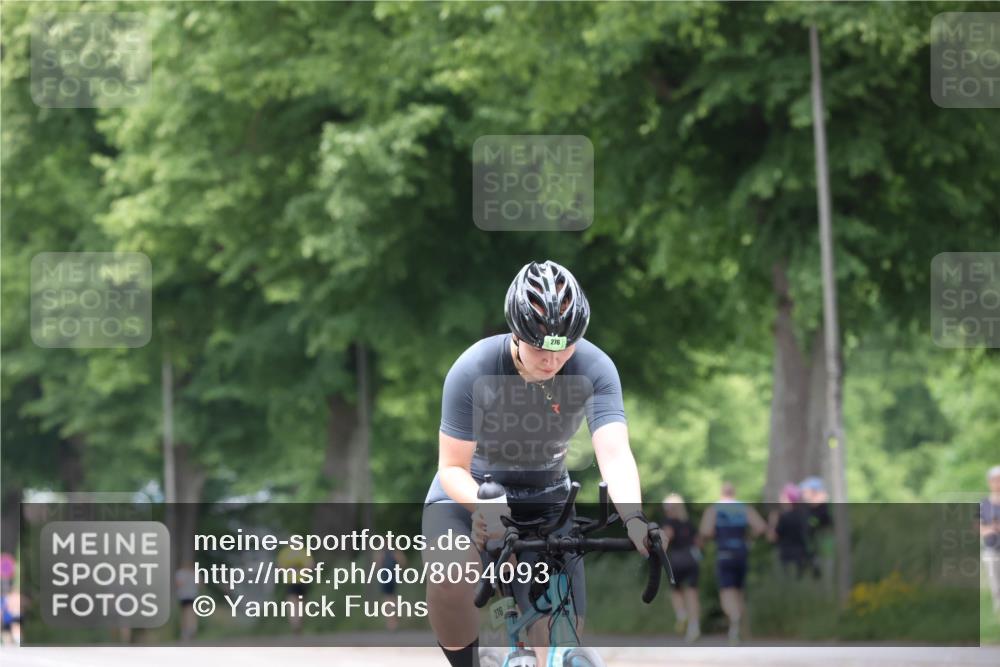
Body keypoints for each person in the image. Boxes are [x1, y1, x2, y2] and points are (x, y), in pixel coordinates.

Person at [421, 260, 652, 667]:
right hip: (469, 493)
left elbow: (614, 453)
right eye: (540, 349)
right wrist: (484, 507)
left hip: (547, 499)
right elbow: (452, 466)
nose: (552, 361)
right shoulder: (473, 368)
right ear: (516, 333)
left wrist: (632, 516)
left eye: (565, 347)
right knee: (449, 577)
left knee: (554, 642)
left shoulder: (595, 369)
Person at [699, 481, 767, 645]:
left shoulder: (714, 509)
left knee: (726, 591)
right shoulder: (744, 508)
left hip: (724, 553)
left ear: (722, 493)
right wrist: (749, 538)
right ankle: (741, 630)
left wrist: (714, 534)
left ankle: (734, 618)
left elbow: (705, 531)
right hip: (741, 552)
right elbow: (761, 527)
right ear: (734, 493)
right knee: (739, 591)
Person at [659, 493, 701, 643]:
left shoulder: (668, 522)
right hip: (691, 560)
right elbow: (698, 541)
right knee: (692, 594)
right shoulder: (688, 522)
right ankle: (694, 627)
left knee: (676, 592)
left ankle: (681, 615)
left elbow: (667, 538)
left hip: (676, 560)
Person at [767, 483, 810, 579]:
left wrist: (772, 523)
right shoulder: (802, 515)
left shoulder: (782, 517)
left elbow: (772, 538)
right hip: (801, 555)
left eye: (782, 496)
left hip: (786, 557)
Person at [276, 543, 315, 635]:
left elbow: (279, 568)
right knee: (300, 604)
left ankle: (295, 624)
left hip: (291, 582)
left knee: (293, 604)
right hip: (303, 581)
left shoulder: (284, 553)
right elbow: (311, 566)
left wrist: (289, 569)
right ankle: (298, 624)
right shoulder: (303, 552)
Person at [800, 476, 833, 583]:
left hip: (823, 551)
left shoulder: (823, 510)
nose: (803, 494)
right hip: (813, 551)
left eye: (806, 491)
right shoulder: (809, 509)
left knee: (825, 577)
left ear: (814, 492)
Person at [373, 545, 409, 631]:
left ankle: (391, 623)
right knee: (392, 599)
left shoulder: (381, 553)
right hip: (393, 578)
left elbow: (377, 565)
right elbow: (403, 563)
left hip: (385, 578)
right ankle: (394, 622)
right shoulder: (396, 552)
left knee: (387, 599)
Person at [980, 465, 1000, 616]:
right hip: (991, 548)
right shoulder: (984, 504)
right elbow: (978, 527)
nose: (997, 483)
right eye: (995, 480)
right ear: (990, 482)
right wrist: (989, 529)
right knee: (995, 583)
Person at [175, 562, 199, 641]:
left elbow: (199, 584)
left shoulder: (192, 573)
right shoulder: (182, 573)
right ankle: (189, 630)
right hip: (185, 595)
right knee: (188, 613)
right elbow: (178, 584)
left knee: (188, 613)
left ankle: (189, 631)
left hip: (189, 595)